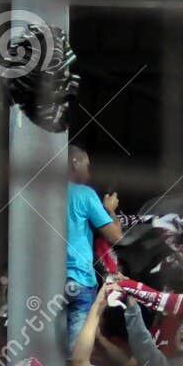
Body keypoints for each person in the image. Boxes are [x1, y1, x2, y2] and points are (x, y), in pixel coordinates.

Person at [65, 146, 122, 346]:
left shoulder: (40, 193)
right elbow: (116, 237)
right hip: (79, 279)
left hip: (44, 283)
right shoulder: (84, 194)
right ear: (75, 163)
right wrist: (109, 210)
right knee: (76, 355)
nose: (89, 173)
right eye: (86, 165)